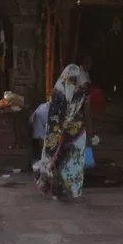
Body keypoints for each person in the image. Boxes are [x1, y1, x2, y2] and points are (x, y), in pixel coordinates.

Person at [36, 64, 94, 201]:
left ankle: (73, 192)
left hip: (77, 136)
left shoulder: (81, 95)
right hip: (61, 134)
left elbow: (87, 116)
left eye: (75, 79)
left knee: (75, 164)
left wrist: (89, 138)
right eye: (71, 78)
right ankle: (60, 190)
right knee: (61, 163)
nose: (72, 81)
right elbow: (54, 116)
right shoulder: (59, 94)